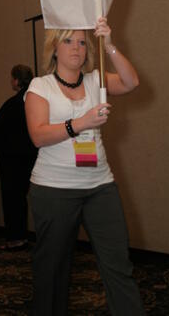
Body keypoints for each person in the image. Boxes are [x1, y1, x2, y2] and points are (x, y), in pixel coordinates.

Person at [25, 16, 145, 316]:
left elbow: (132, 82)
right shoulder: (41, 85)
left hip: (99, 187)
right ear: (54, 48)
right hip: (53, 190)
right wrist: (81, 123)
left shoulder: (95, 80)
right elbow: (38, 135)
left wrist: (110, 45)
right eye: (68, 41)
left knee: (118, 264)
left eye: (81, 42)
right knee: (52, 271)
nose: (76, 48)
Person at [0, 65, 38, 250]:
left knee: (12, 198)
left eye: (12, 78)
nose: (11, 82)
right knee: (25, 197)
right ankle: (24, 237)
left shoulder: (12, 104)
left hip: (11, 159)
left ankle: (16, 237)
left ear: (17, 81)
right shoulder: (35, 101)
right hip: (32, 156)